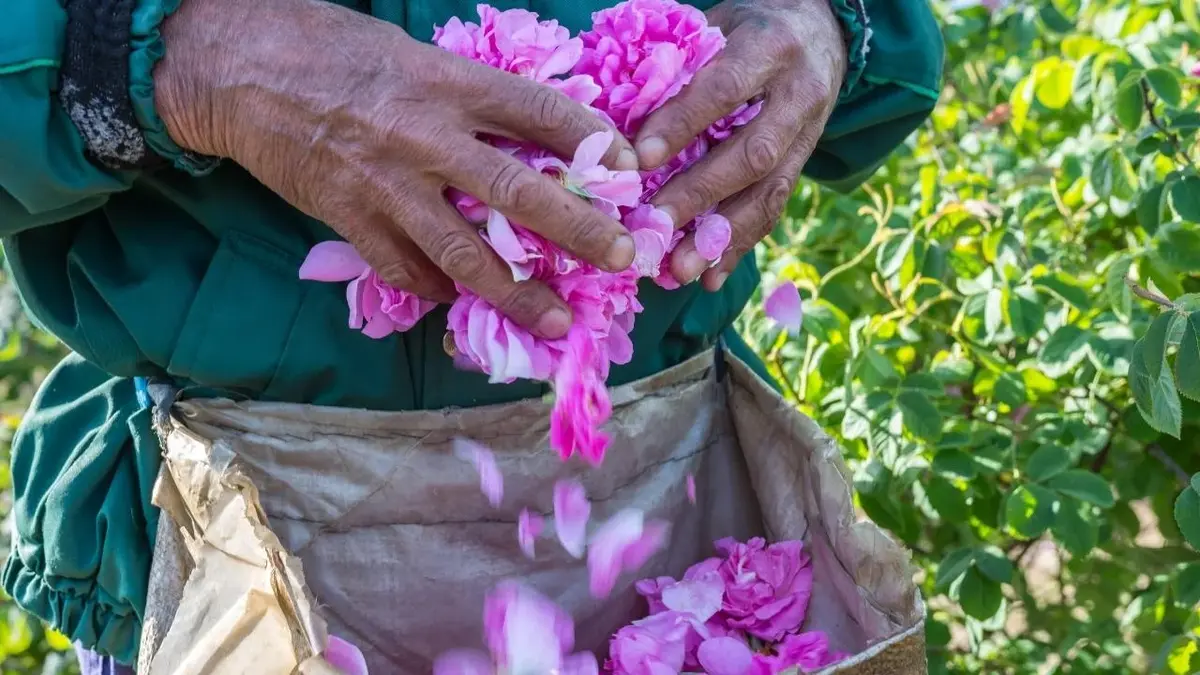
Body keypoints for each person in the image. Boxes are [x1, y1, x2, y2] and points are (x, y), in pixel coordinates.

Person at [0, 0, 942, 672]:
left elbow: (879, 39)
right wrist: (181, 57)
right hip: (235, 529)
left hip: (668, 492)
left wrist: (827, 23)